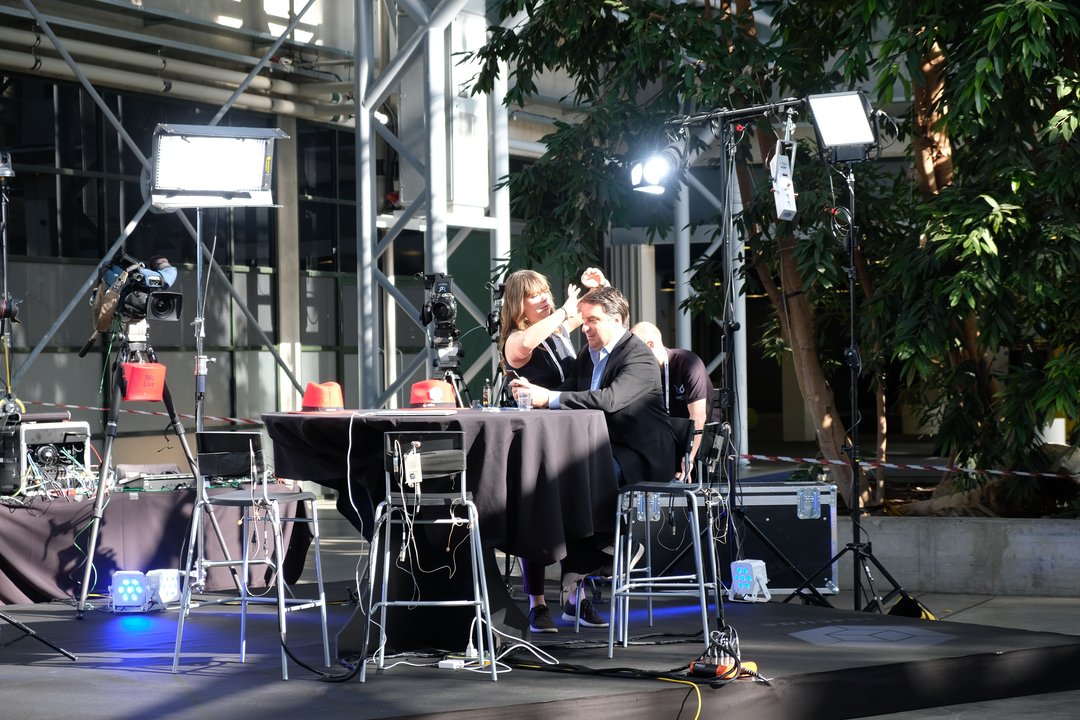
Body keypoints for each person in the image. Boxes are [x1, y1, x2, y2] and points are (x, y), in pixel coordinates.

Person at [510, 285, 675, 625]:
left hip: (638, 455)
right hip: (602, 449)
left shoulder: (638, 356)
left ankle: (603, 557)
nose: (584, 328)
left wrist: (547, 398)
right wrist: (532, 392)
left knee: (577, 480)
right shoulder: (589, 353)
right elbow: (569, 390)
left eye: (592, 321)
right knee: (548, 481)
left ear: (616, 320)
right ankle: (578, 575)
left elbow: (609, 400)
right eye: (583, 321)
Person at [497, 269, 586, 633]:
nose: (545, 298)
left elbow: (597, 313)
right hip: (534, 442)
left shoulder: (559, 331)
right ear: (519, 305)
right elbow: (527, 342)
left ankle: (574, 597)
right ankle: (537, 604)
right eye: (536, 294)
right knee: (536, 519)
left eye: (546, 290)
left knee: (574, 517)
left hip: (568, 435)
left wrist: (599, 287)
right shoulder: (516, 340)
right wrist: (563, 312)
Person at [630, 321, 716, 478]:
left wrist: (689, 456)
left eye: (634, 348)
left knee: (694, 484)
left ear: (650, 344)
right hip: (667, 435)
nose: (630, 355)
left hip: (700, 437)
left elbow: (698, 416)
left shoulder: (688, 363)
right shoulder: (641, 372)